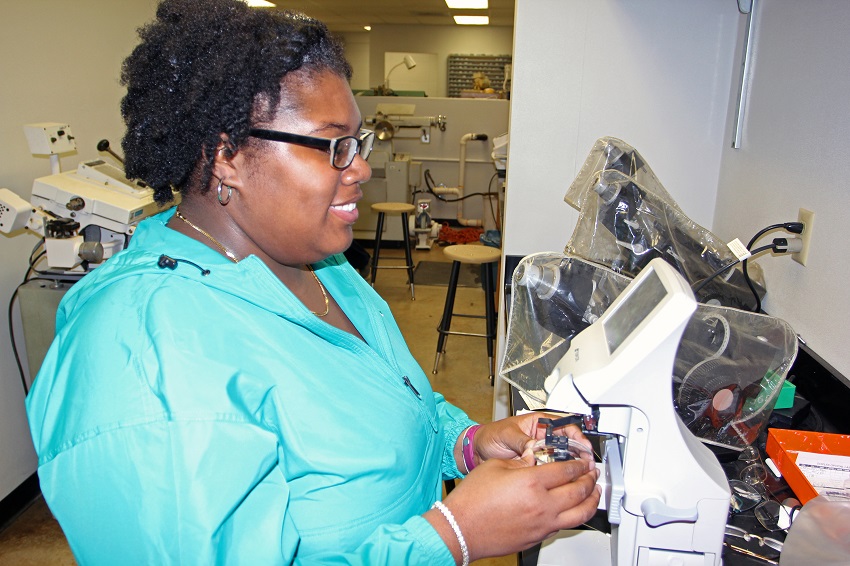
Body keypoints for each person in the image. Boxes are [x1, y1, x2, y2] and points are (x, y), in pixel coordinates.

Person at [25, 0, 601, 563]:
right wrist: (453, 536)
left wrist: (466, 442)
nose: (361, 169)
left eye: (359, 142)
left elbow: (382, 401)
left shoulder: (316, 266)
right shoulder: (141, 350)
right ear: (227, 155)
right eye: (334, 147)